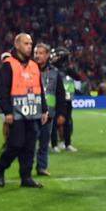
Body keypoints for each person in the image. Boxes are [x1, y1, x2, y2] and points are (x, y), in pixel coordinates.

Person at [0, 33, 48, 189]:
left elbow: (39, 89)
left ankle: (26, 177)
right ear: (17, 45)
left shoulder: (34, 66)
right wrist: (7, 112)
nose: (30, 46)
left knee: (30, 146)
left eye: (30, 43)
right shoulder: (8, 65)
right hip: (16, 113)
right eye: (26, 43)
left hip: (32, 112)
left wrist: (44, 109)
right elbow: (2, 91)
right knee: (15, 144)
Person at [33, 43, 61, 177]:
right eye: (36, 53)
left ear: (48, 55)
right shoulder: (29, 69)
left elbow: (59, 94)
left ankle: (41, 167)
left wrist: (61, 113)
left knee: (44, 143)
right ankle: (27, 168)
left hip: (48, 113)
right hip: (31, 112)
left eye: (41, 53)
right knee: (30, 143)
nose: (37, 56)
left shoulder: (55, 72)